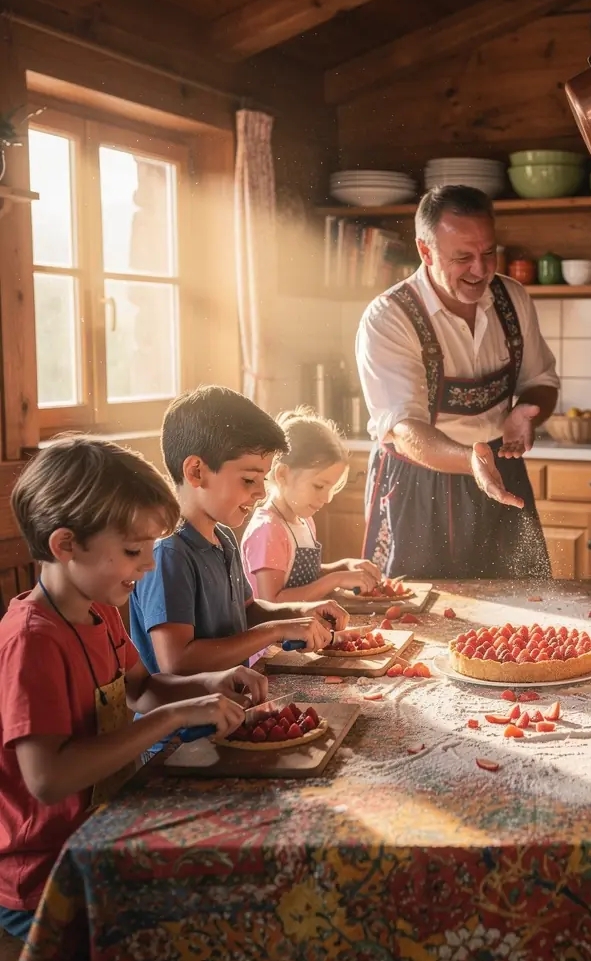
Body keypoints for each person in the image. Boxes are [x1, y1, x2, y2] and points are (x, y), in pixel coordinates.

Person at [0, 437, 266, 942]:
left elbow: (142, 689)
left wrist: (212, 684)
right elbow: (48, 779)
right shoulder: (30, 641)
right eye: (131, 550)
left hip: (106, 833)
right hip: (50, 878)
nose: (148, 564)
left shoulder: (98, 610)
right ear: (64, 545)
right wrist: (172, 719)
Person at [356, 186, 560, 578]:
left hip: (502, 471)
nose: (481, 270)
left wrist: (527, 411)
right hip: (419, 484)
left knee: (524, 604)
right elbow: (402, 428)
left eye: (488, 254)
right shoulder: (389, 317)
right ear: (426, 251)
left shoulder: (512, 298)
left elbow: (541, 379)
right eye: (462, 257)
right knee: (415, 614)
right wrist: (470, 460)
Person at [130, 386, 349, 680]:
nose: (260, 492)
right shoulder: (168, 552)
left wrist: (301, 612)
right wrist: (275, 631)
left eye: (263, 479)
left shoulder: (222, 537)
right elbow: (177, 661)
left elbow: (247, 612)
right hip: (185, 723)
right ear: (196, 471)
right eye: (249, 479)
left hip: (231, 709)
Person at [241, 407, 382, 603]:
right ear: (282, 474)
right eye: (319, 486)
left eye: (331, 488)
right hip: (277, 632)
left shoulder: (304, 520)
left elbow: (301, 577)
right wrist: (336, 579)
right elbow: (272, 602)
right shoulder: (268, 531)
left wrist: (341, 567)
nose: (327, 498)